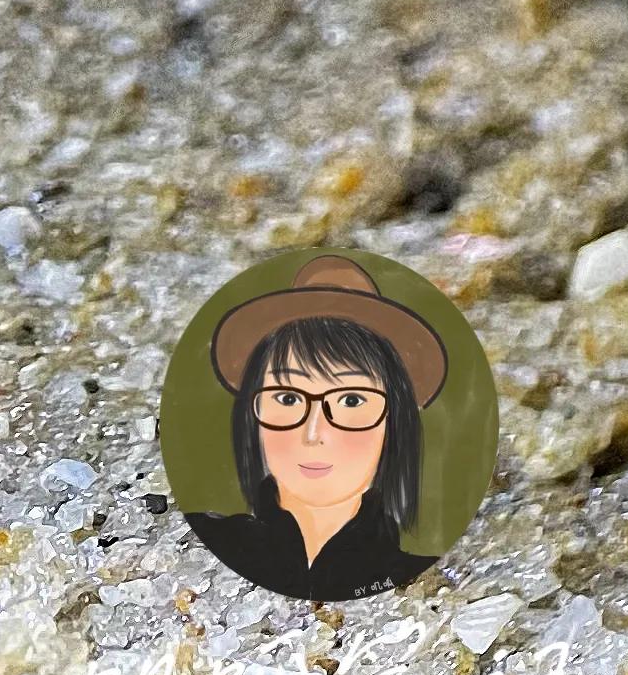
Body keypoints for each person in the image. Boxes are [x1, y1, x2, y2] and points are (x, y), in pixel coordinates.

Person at [183, 256, 448, 599]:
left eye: (351, 401)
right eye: (288, 399)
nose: (314, 433)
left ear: (394, 421)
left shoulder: (420, 582)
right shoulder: (200, 541)